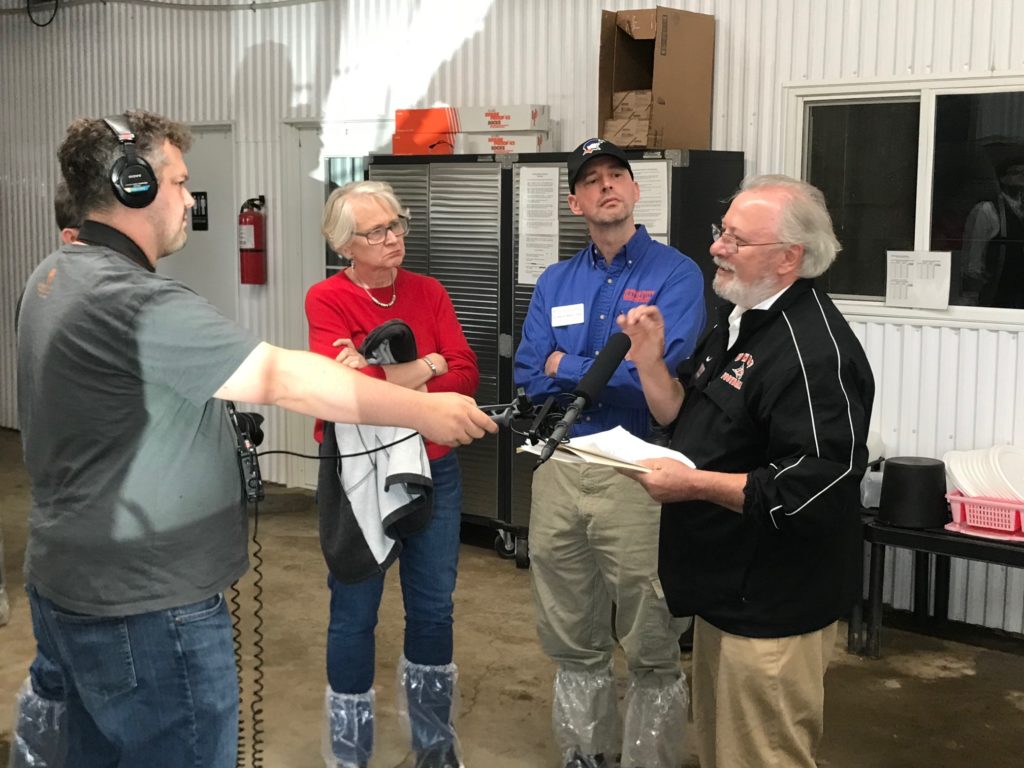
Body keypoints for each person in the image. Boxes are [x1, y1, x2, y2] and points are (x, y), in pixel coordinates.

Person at [14, 110, 496, 768]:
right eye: (180, 182)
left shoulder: (54, 274)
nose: (189, 198)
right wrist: (426, 411)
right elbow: (286, 377)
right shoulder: (133, 300)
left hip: (74, 580)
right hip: (147, 604)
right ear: (132, 185)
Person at [617, 174, 875, 768]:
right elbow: (688, 421)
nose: (716, 247)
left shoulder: (814, 352)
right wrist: (650, 362)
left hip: (772, 608)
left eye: (736, 239)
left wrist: (691, 486)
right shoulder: (740, 319)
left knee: (762, 756)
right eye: (721, 232)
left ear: (790, 258)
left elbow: (813, 484)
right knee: (717, 750)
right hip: (723, 592)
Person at [513, 138, 706, 768]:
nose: (606, 187)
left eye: (616, 175)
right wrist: (600, 368)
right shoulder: (556, 280)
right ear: (575, 202)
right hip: (563, 466)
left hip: (639, 472)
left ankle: (651, 760)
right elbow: (526, 373)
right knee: (570, 630)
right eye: (591, 180)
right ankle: (585, 756)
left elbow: (662, 373)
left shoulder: (675, 275)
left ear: (635, 190)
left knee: (652, 633)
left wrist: (564, 363)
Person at [305, 181, 479, 768]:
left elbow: (466, 373)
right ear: (344, 244)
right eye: (377, 231)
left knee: (432, 608)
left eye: (397, 225)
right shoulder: (325, 299)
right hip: (358, 478)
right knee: (353, 611)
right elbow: (342, 397)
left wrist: (381, 377)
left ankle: (434, 747)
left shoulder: (427, 292)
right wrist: (425, 366)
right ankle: (348, 755)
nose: (394, 238)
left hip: (433, 469)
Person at [7, 181, 83, 768]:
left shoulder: (41, 287)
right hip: (90, 542)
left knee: (56, 679)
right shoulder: (74, 296)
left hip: (59, 536)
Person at [960, 153, 1024, 307]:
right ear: (1002, 179)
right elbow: (973, 261)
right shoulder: (987, 210)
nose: (1023, 176)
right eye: (1016, 172)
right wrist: (971, 299)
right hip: (995, 299)